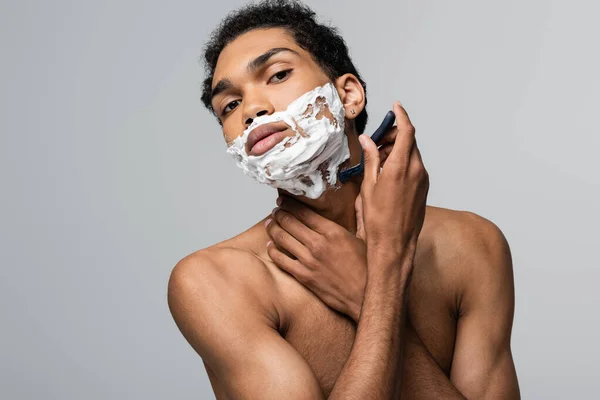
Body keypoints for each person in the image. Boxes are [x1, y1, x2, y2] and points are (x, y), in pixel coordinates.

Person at [168, 1, 520, 398]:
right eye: (229, 105)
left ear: (349, 95)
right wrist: (384, 280)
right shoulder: (216, 281)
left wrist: (367, 289)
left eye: (278, 74)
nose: (251, 109)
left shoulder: (473, 246)